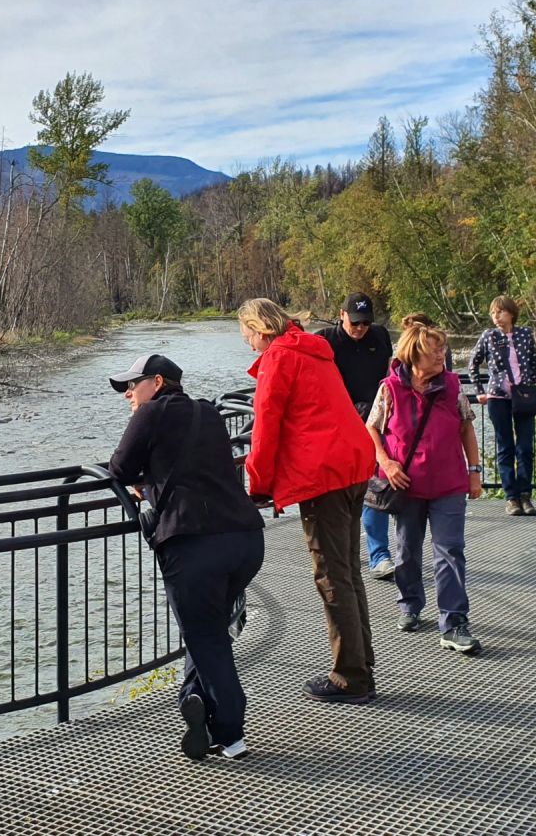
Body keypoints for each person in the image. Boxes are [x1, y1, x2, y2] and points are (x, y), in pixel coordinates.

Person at [106, 354, 265, 762]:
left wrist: (144, 482)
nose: (128, 393)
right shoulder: (208, 412)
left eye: (133, 384)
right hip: (246, 539)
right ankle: (193, 696)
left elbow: (119, 468)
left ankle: (231, 733)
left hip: (193, 544)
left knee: (207, 637)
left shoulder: (150, 413)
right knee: (207, 628)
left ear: (157, 382)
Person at [238, 298, 378, 704]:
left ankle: (351, 678)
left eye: (246, 334)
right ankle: (361, 668)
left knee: (332, 576)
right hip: (351, 465)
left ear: (261, 329)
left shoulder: (278, 359)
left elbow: (265, 429)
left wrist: (259, 487)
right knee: (349, 572)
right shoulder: (313, 350)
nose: (247, 343)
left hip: (323, 476)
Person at [367, 320, 484, 654]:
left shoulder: (450, 385)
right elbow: (371, 428)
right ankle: (410, 604)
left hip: (448, 483)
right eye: (435, 351)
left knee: (450, 551)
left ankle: (454, 622)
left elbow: (466, 428)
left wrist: (474, 471)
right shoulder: (390, 389)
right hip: (407, 485)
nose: (442, 356)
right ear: (414, 354)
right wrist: (386, 462)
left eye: (443, 350)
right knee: (407, 549)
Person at [316, 293, 396, 581]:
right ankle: (344, 552)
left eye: (365, 323)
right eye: (355, 322)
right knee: (343, 493)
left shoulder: (379, 336)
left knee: (376, 487)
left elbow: (390, 374)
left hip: (375, 423)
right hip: (338, 426)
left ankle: (379, 555)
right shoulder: (325, 340)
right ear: (341, 315)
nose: (360, 328)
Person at [468, 295, 536, 516]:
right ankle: (511, 497)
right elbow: (473, 363)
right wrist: (480, 391)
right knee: (505, 446)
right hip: (498, 398)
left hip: (523, 397)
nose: (496, 317)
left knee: (526, 447)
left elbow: (534, 362)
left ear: (511, 313)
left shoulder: (525, 334)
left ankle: (525, 495)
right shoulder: (489, 336)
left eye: (500, 312)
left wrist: (529, 384)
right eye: (493, 313)